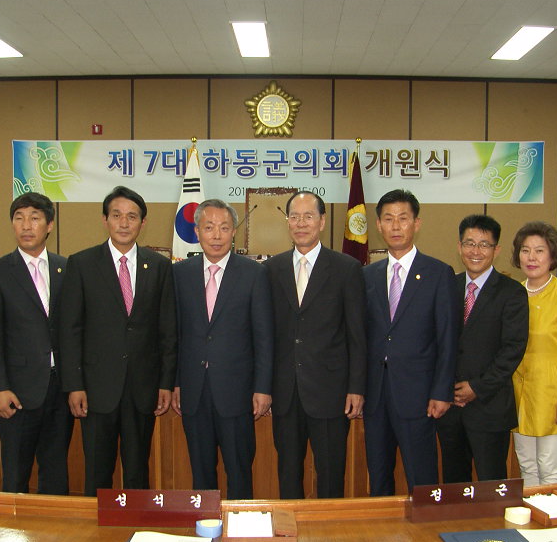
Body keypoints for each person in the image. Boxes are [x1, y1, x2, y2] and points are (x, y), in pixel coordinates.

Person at [60, 186, 176, 495]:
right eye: (117, 216)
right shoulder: (82, 264)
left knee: (138, 470)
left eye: (132, 217)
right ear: (105, 220)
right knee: (98, 471)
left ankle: (138, 533)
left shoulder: (160, 267)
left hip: (143, 387)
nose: (124, 223)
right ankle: (95, 539)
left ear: (142, 222)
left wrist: (165, 382)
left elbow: (167, 330)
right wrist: (74, 385)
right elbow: (70, 330)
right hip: (96, 390)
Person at [267, 191, 366, 499]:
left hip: (331, 391)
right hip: (285, 391)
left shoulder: (346, 268)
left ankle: (329, 538)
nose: (301, 223)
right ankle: (288, 534)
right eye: (294, 217)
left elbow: (357, 335)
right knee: (288, 471)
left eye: (308, 216)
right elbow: (266, 333)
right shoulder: (272, 269)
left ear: (322, 221)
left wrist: (356, 387)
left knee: (331, 472)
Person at [171, 198, 273, 500]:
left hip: (238, 392)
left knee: (239, 469)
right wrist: (175, 381)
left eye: (224, 228)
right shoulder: (179, 274)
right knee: (201, 472)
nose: (216, 235)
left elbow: (264, 336)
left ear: (234, 232)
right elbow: (173, 334)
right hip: (193, 390)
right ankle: (206, 528)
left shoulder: (254, 273)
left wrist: (262, 387)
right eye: (209, 227)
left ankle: (241, 529)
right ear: (197, 232)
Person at [364, 189, 457, 496]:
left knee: (422, 476)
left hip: (419, 396)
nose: (395, 226)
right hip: (375, 396)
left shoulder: (438, 273)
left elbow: (447, 338)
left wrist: (442, 391)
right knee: (378, 475)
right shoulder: (368, 275)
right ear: (378, 225)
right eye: (388, 219)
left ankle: (426, 540)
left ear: (417, 224)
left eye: (403, 219)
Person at [0, 192, 72, 495]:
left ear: (50, 225)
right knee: (16, 473)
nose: (26, 225)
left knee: (56, 470)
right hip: (16, 392)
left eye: (34, 217)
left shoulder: (66, 268)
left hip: (60, 390)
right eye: (19, 218)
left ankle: (53, 538)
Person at [437, 215, 528, 483]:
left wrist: (477, 387)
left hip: (489, 406)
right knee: (454, 481)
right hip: (450, 407)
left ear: (496, 250)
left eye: (484, 245)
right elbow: (436, 343)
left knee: (492, 483)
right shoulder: (446, 287)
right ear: (459, 246)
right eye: (469, 243)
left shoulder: (511, 293)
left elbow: (512, 350)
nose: (475, 251)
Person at [509, 222, 557, 486]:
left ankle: (553, 522)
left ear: (553, 256)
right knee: (527, 466)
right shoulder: (514, 293)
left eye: (539, 251)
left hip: (554, 394)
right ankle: (532, 520)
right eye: (525, 250)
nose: (531, 257)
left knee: (549, 467)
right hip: (519, 396)